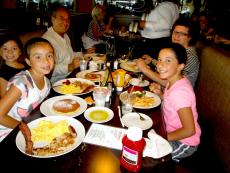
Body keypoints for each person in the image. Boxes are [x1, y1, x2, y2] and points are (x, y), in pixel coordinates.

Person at [152, 43, 201, 162]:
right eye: (159, 59)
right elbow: (172, 104)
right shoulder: (174, 80)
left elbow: (189, 130)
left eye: (168, 60)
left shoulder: (180, 93)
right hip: (171, 131)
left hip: (184, 143)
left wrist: (162, 137)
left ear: (180, 66)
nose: (160, 64)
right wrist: (161, 95)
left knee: (151, 157)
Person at [0, 37, 55, 142]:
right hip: (7, 133)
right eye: (38, 57)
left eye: (49, 55)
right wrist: (25, 128)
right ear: (28, 61)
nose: (46, 61)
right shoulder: (21, 83)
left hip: (28, 127)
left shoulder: (47, 82)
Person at [137, 18, 200, 87]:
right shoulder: (179, 50)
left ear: (190, 37)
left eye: (182, 34)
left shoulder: (189, 56)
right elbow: (170, 67)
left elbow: (170, 83)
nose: (176, 36)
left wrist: (145, 69)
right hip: (160, 90)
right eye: (175, 32)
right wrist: (152, 60)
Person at [42, 5, 92, 83]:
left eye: (68, 19)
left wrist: (84, 53)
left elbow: (70, 55)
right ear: (52, 19)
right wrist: (70, 67)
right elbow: (47, 68)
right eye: (61, 18)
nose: (65, 22)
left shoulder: (64, 35)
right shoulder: (47, 41)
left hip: (70, 76)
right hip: (56, 84)